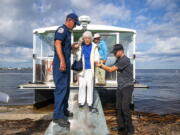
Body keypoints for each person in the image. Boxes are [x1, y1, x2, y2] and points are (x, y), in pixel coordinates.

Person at [96, 44, 134, 135]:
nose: (114, 54)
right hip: (120, 86)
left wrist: (101, 66)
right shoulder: (119, 59)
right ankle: (121, 126)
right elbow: (109, 63)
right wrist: (102, 61)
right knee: (118, 107)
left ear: (121, 51)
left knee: (125, 108)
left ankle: (130, 130)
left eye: (115, 52)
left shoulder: (125, 60)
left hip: (127, 87)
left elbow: (110, 69)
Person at [53, 13, 80, 128]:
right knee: (61, 89)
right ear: (69, 20)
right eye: (74, 23)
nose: (74, 26)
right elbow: (57, 43)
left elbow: (64, 46)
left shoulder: (68, 32)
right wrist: (62, 60)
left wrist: (72, 46)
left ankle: (64, 110)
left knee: (66, 89)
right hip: (61, 64)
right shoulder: (61, 30)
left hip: (66, 65)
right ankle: (57, 116)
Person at [72, 31, 99, 111]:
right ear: (83, 39)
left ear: (91, 39)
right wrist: (77, 45)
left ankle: (90, 103)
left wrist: (97, 61)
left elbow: (97, 56)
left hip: (90, 69)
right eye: (85, 38)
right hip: (81, 69)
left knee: (90, 86)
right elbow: (73, 51)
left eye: (88, 38)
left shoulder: (94, 46)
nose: (87, 40)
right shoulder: (80, 46)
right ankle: (81, 102)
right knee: (82, 86)